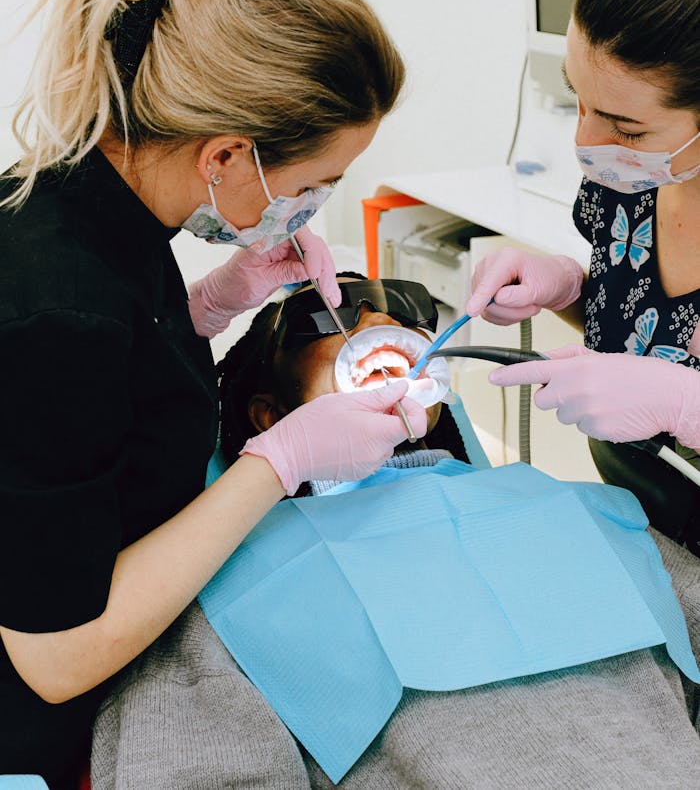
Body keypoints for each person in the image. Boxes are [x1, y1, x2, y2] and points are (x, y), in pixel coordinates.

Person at [0, 0, 428, 788]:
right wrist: (281, 464)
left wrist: (211, 303)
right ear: (227, 156)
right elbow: (54, 659)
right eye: (317, 183)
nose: (312, 207)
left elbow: (83, 405)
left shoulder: (94, 199)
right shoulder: (58, 307)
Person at [90, 275, 700, 790]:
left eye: (405, 308)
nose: (379, 318)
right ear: (270, 418)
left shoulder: (587, 511)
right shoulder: (227, 582)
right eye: (325, 317)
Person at [466, 0, 700, 557]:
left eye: (626, 127)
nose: (585, 142)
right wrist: (571, 289)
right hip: (639, 516)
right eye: (578, 100)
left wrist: (686, 406)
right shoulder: (626, 182)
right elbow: (643, 329)